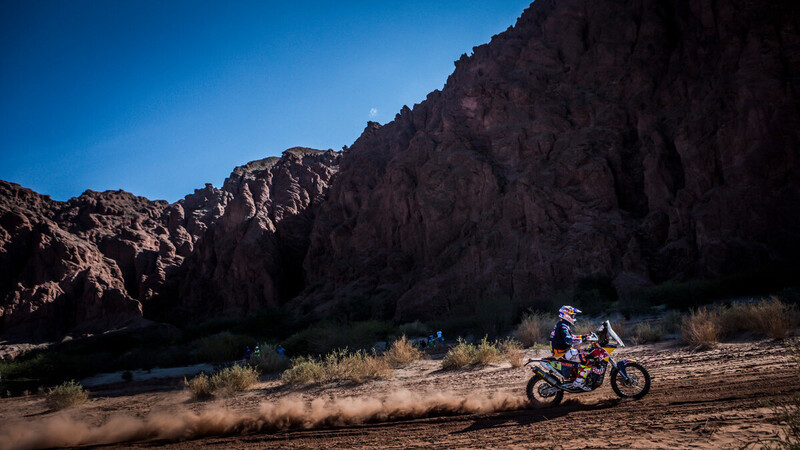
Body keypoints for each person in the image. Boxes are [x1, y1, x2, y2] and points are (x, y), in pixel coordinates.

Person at [549, 305, 594, 391]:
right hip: (563, 352)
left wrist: (584, 336)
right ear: (567, 315)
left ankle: (577, 377)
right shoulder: (563, 326)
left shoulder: (563, 324)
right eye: (572, 315)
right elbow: (569, 340)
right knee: (589, 358)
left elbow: (572, 336)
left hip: (563, 351)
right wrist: (584, 339)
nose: (574, 317)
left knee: (584, 352)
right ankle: (579, 382)